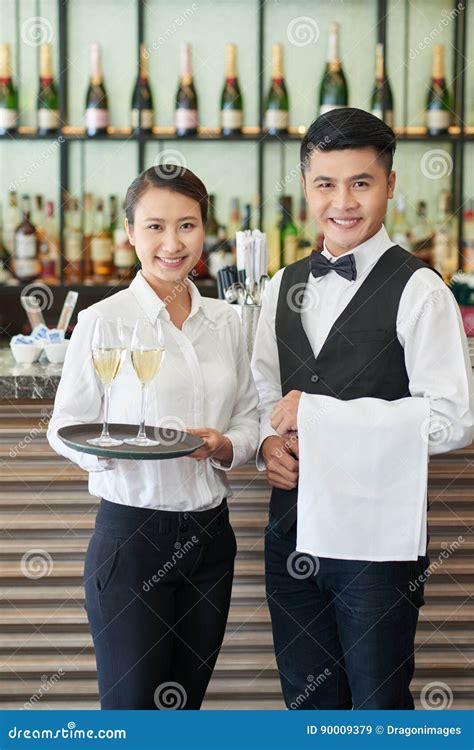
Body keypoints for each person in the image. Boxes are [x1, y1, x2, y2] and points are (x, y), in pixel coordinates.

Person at [251, 107, 473, 710]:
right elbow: (262, 397)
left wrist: (321, 417)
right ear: (305, 186)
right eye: (326, 183)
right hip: (291, 530)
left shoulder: (422, 289)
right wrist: (266, 447)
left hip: (378, 539)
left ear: (391, 186)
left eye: (361, 183)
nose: (342, 202)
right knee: (307, 706)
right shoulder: (280, 285)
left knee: (379, 707)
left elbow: (453, 418)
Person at [47, 165, 259, 710]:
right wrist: (115, 453)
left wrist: (226, 445)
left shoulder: (227, 322)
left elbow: (250, 419)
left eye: (187, 226)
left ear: (205, 230)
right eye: (155, 227)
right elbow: (64, 428)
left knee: (182, 711)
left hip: (211, 539)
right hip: (133, 538)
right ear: (129, 232)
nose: (172, 243)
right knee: (133, 713)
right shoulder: (103, 321)